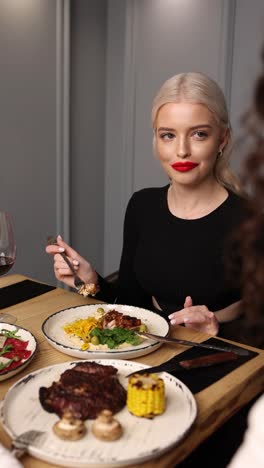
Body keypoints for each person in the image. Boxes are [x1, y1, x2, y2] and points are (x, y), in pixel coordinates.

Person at [46, 72, 249, 337]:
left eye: (199, 134)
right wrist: (91, 282)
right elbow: (131, 304)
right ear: (156, 139)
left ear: (221, 140)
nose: (182, 150)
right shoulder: (142, 205)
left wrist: (217, 331)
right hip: (149, 347)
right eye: (168, 135)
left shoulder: (250, 219)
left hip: (227, 356)